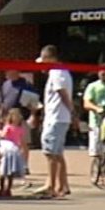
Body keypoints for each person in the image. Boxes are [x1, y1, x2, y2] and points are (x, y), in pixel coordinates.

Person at [37, 44, 73, 199]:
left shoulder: (57, 73)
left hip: (56, 117)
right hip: (57, 117)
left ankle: (51, 185)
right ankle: (62, 185)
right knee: (57, 153)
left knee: (51, 152)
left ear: (49, 58)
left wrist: (71, 110)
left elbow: (62, 93)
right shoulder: (59, 72)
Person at [0, 107, 28, 198]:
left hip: (6, 147)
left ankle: (1, 188)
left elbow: (3, 135)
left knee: (4, 169)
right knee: (10, 171)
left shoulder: (8, 127)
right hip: (15, 149)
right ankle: (8, 189)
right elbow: (21, 141)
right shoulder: (20, 129)